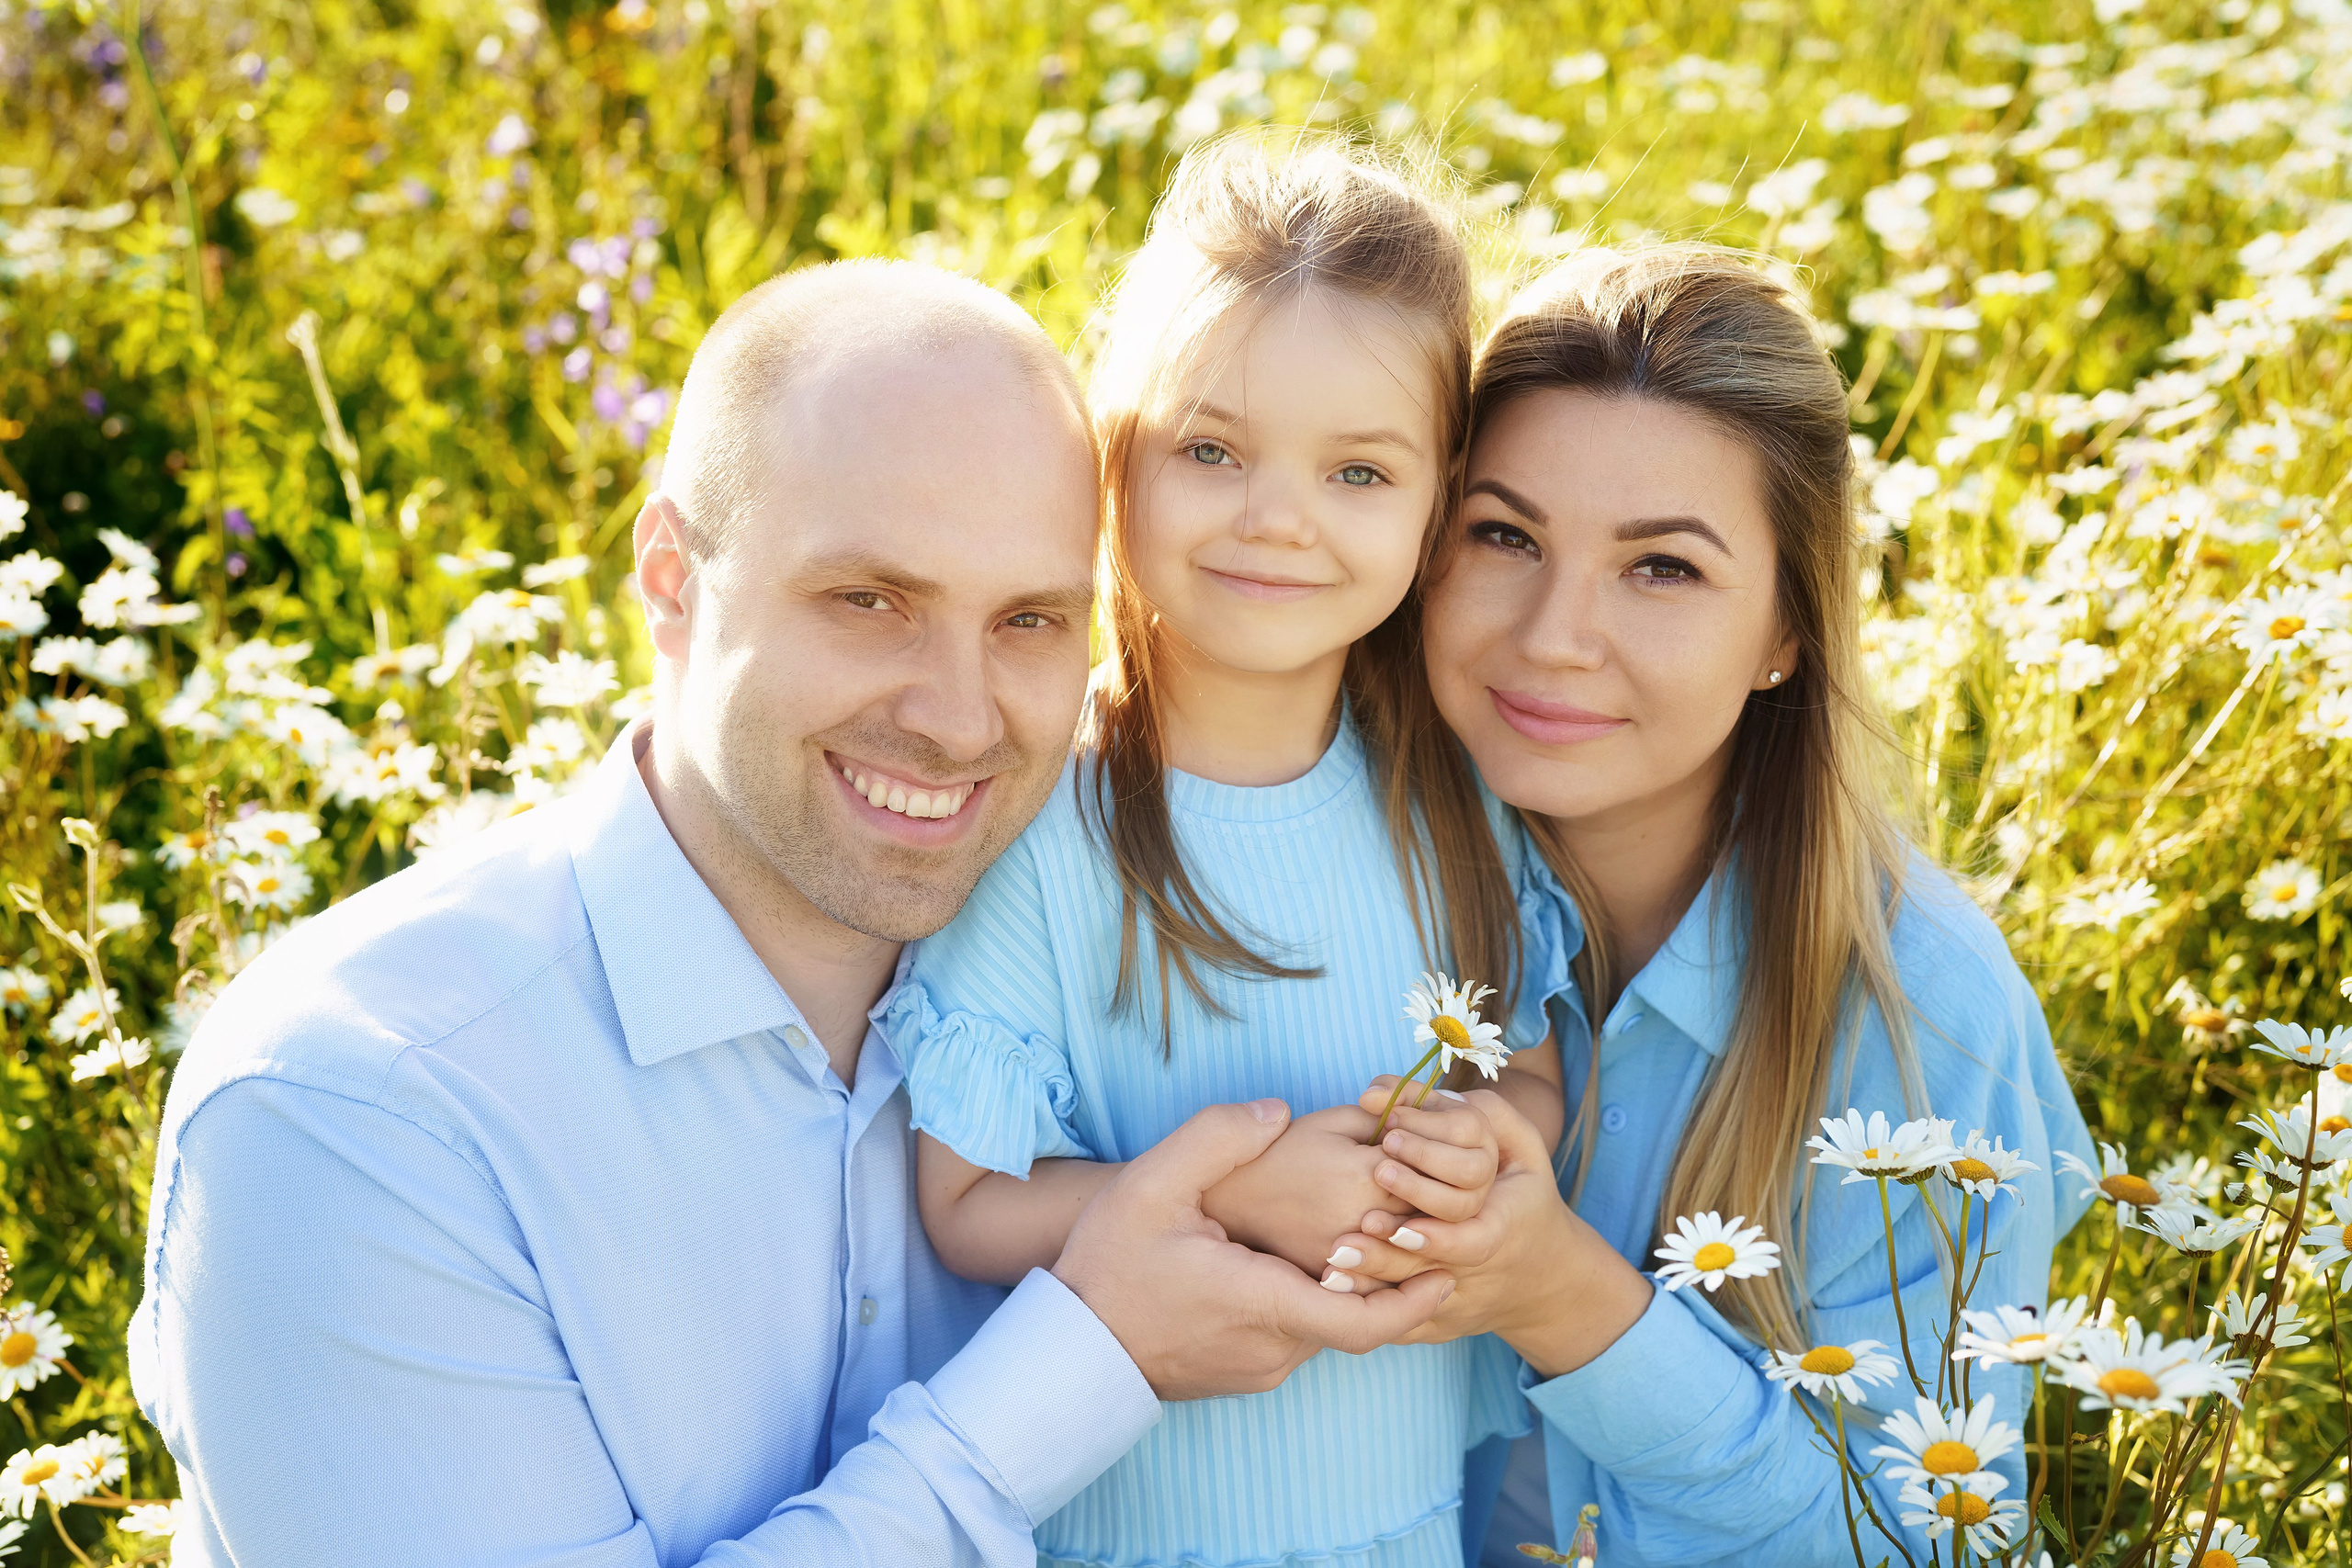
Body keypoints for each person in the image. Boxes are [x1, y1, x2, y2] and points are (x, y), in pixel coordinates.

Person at [130, 259, 1453, 1568]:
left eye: (1030, 620)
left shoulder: (1099, 971)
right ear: (671, 580)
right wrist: (1088, 1357)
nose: (959, 719)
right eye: (869, 601)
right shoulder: (358, 1112)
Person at [1324, 245, 2097, 1566]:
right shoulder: (1342, 870)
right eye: (1505, 535)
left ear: (1786, 630)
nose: (1554, 634)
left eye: (1663, 568)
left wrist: (1567, 1299)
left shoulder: (1925, 1022)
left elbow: (1920, 1543)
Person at [896, 135, 1567, 1568]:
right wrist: (1234, 1193)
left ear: (1440, 502)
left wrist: (1493, 1147)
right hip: (1140, 1527)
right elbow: (966, 1202)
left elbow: (1529, 1060)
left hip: (1401, 1522)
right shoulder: (1043, 825)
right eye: (1211, 451)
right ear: (1116, 455)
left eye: (1359, 472)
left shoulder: (1456, 797)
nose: (1278, 519)